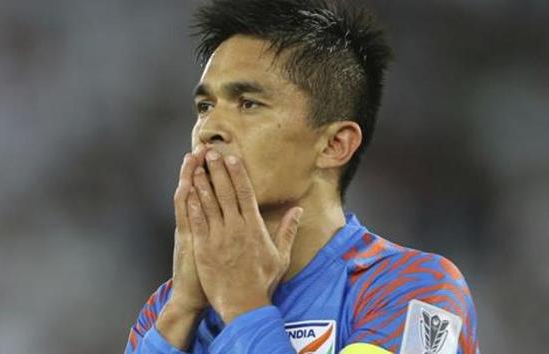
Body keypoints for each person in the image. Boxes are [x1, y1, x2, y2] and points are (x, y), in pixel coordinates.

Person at [124, 0, 479, 353]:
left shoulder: (417, 289)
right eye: (205, 107)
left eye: (248, 103)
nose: (209, 129)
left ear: (335, 145)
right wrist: (181, 313)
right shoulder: (167, 312)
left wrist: (243, 306)